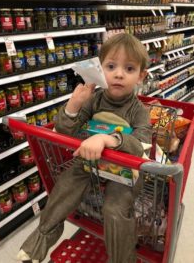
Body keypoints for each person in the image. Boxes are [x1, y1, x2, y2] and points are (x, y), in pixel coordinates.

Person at [17, 33, 152, 263]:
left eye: (129, 69)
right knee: (65, 185)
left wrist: (108, 139)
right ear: (100, 69)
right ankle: (40, 241)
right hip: (91, 161)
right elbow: (65, 131)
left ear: (141, 76)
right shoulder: (94, 99)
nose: (118, 74)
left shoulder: (138, 110)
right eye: (111, 66)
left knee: (115, 208)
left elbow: (141, 143)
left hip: (126, 171)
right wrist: (73, 106)